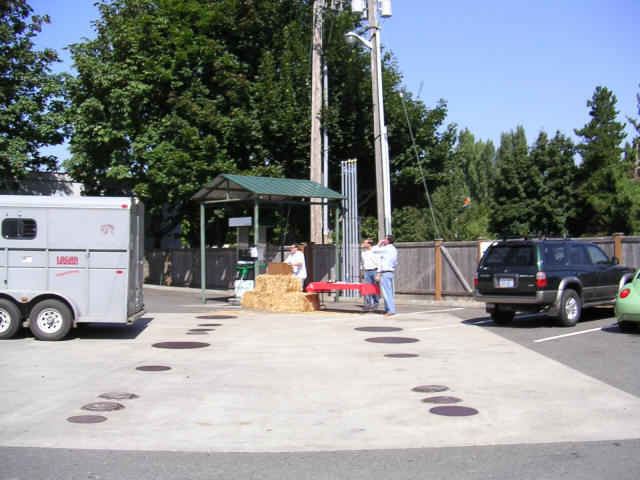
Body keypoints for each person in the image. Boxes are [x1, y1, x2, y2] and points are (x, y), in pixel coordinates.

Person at [372, 234, 397, 316]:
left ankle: (391, 310)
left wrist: (379, 243)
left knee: (387, 292)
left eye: (385, 239)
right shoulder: (394, 249)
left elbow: (374, 250)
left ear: (387, 241)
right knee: (387, 291)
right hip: (390, 271)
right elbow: (395, 262)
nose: (384, 240)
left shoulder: (387, 248)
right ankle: (387, 309)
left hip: (385, 272)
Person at [360, 238, 380, 311]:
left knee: (375, 287)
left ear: (369, 244)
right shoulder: (364, 253)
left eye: (365, 243)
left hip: (374, 270)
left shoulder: (375, 252)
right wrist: (361, 271)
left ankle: (376, 303)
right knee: (368, 288)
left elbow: (379, 263)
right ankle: (368, 303)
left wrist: (378, 273)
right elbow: (362, 263)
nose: (364, 244)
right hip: (367, 271)